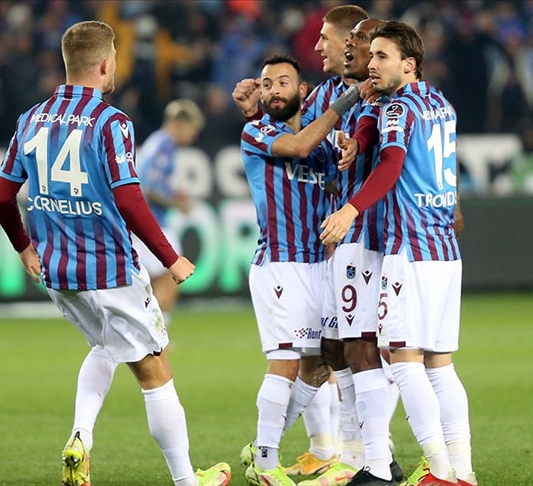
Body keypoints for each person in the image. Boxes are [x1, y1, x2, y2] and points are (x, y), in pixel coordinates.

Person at [0, 20, 231, 486]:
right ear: (104, 64)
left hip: (58, 271)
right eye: (116, 58)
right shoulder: (111, 122)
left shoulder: (30, 119)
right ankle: (187, 481)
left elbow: (2, 197)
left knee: (105, 347)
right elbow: (129, 198)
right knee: (155, 369)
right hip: (110, 269)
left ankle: (80, 438)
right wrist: (170, 258)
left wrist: (23, 247)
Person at [321, 21, 477, 486]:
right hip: (445, 250)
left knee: (404, 360)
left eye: (381, 56)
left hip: (408, 248)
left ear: (409, 64)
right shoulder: (441, 105)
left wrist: (350, 208)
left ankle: (439, 470)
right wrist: (361, 137)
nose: (372, 64)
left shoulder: (400, 108)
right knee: (441, 366)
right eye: (371, 56)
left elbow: (391, 165)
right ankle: (463, 470)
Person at [236, 53, 362, 486]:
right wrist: (347, 101)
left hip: (319, 266)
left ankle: (264, 445)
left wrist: (351, 147)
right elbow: (298, 147)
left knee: (320, 366)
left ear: (301, 90)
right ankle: (266, 465)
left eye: (283, 82)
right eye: (267, 83)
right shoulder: (257, 131)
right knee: (286, 363)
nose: (274, 90)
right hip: (280, 264)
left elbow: (335, 171)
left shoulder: (325, 146)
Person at [134, 98, 206, 325]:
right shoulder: (163, 147)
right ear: (179, 123)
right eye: (192, 128)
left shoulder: (157, 144)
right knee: (171, 275)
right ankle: (158, 332)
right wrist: (177, 204)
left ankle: (153, 332)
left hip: (143, 223)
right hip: (152, 223)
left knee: (157, 280)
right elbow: (149, 189)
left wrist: (174, 194)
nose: (193, 135)